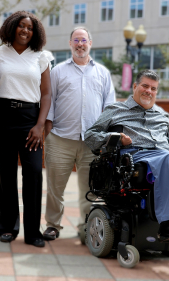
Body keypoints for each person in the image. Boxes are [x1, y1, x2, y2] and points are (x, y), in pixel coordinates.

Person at [85, 69, 169, 238]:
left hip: (163, 155)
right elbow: (90, 136)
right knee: (168, 158)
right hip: (135, 156)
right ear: (135, 86)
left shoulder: (162, 115)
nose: (149, 91)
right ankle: (168, 224)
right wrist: (116, 138)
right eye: (145, 86)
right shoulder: (116, 109)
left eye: (153, 88)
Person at [0, 11, 53, 248]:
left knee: (34, 172)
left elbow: (46, 94)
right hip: (2, 115)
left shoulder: (41, 57)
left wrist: (39, 126)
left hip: (30, 118)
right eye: (22, 26)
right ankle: (6, 227)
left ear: (35, 32)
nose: (25, 30)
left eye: (30, 28)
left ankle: (33, 231)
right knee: (7, 172)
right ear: (13, 27)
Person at [43, 27, 115, 241]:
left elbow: (109, 107)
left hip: (92, 143)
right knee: (55, 187)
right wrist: (48, 132)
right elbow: (50, 101)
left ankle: (87, 228)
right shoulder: (58, 71)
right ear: (70, 43)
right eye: (76, 40)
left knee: (90, 189)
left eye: (84, 40)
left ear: (90, 43)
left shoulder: (102, 72)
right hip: (60, 139)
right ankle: (53, 225)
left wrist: (105, 137)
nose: (80, 44)